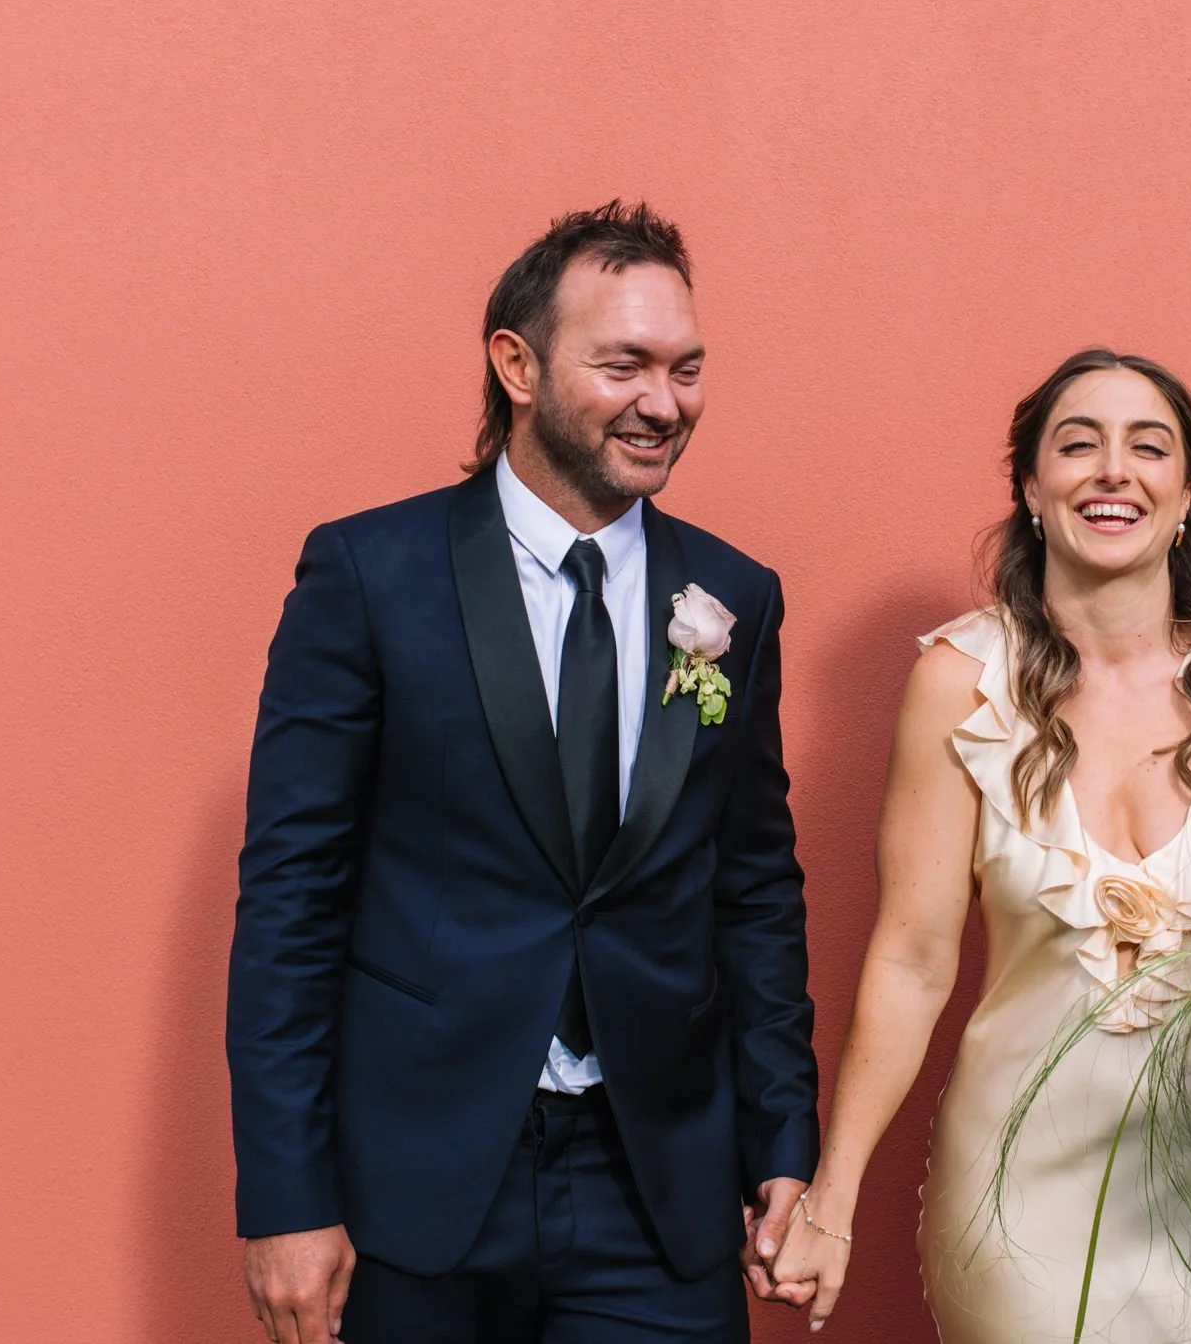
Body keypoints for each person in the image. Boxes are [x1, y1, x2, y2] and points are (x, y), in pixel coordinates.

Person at [226, 201, 818, 1344]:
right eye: (624, 364)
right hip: (419, 1182)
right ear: (516, 362)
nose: (664, 401)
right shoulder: (367, 573)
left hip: (658, 1190)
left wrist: (782, 1139)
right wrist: (286, 1196)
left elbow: (754, 891)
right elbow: (291, 904)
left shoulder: (735, 596)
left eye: (687, 368)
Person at [767, 348, 1191, 1340]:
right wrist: (833, 1193)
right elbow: (910, 957)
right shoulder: (960, 683)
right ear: (1032, 487)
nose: (1112, 470)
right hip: (1018, 1195)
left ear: (1187, 490)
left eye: (1147, 447)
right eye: (1077, 445)